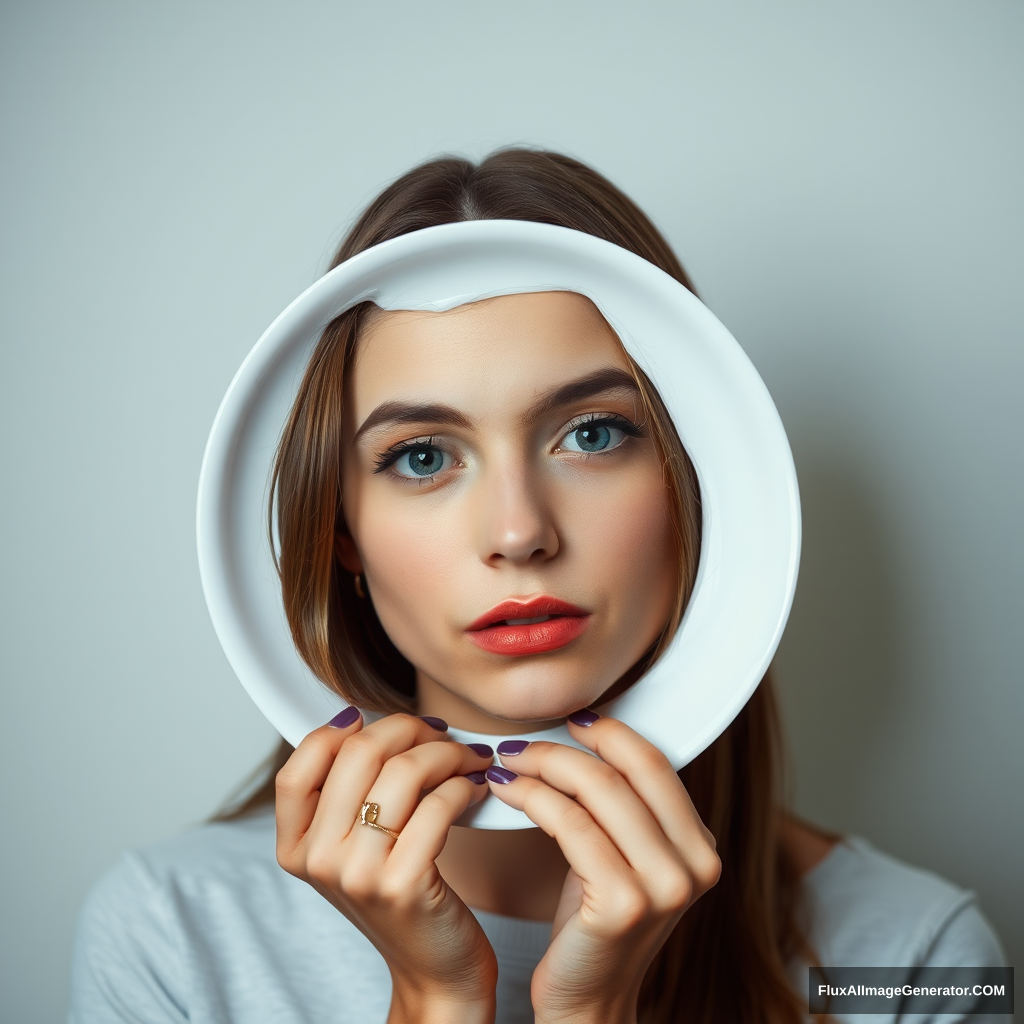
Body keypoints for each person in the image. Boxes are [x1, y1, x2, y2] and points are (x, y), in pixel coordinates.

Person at [69, 150, 1007, 1024]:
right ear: (342, 534)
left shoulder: (917, 957)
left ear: (700, 482)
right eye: (423, 456)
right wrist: (434, 1002)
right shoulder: (171, 931)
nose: (519, 532)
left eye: (593, 434)